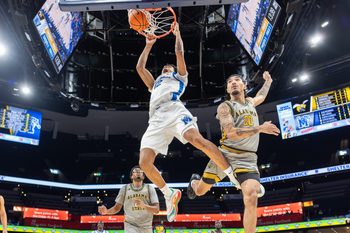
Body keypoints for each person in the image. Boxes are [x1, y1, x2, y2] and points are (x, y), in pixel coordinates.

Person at [136, 23, 240, 222]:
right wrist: (148, 45)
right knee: (144, 163)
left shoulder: (180, 78)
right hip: (156, 119)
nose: (166, 68)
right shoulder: (155, 84)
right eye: (164, 68)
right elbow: (140, 67)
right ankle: (169, 193)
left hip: (175, 111)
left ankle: (231, 174)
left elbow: (179, 54)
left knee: (197, 141)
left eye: (169, 68)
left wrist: (177, 34)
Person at [187, 72, 280, 233]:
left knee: (251, 195)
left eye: (237, 80)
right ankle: (194, 182)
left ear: (244, 86)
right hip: (226, 154)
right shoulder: (225, 107)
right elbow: (231, 133)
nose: (234, 83)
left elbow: (261, 96)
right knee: (200, 191)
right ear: (228, 89)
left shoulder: (250, 103)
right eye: (230, 82)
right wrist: (260, 128)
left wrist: (268, 82)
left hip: (248, 159)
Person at [98, 166, 159, 233]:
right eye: (135, 171)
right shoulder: (125, 189)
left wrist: (144, 206)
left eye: (140, 172)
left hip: (146, 226)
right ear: (131, 176)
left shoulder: (150, 188)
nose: (138, 173)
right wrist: (106, 211)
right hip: (130, 225)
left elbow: (156, 210)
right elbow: (116, 208)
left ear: (143, 176)